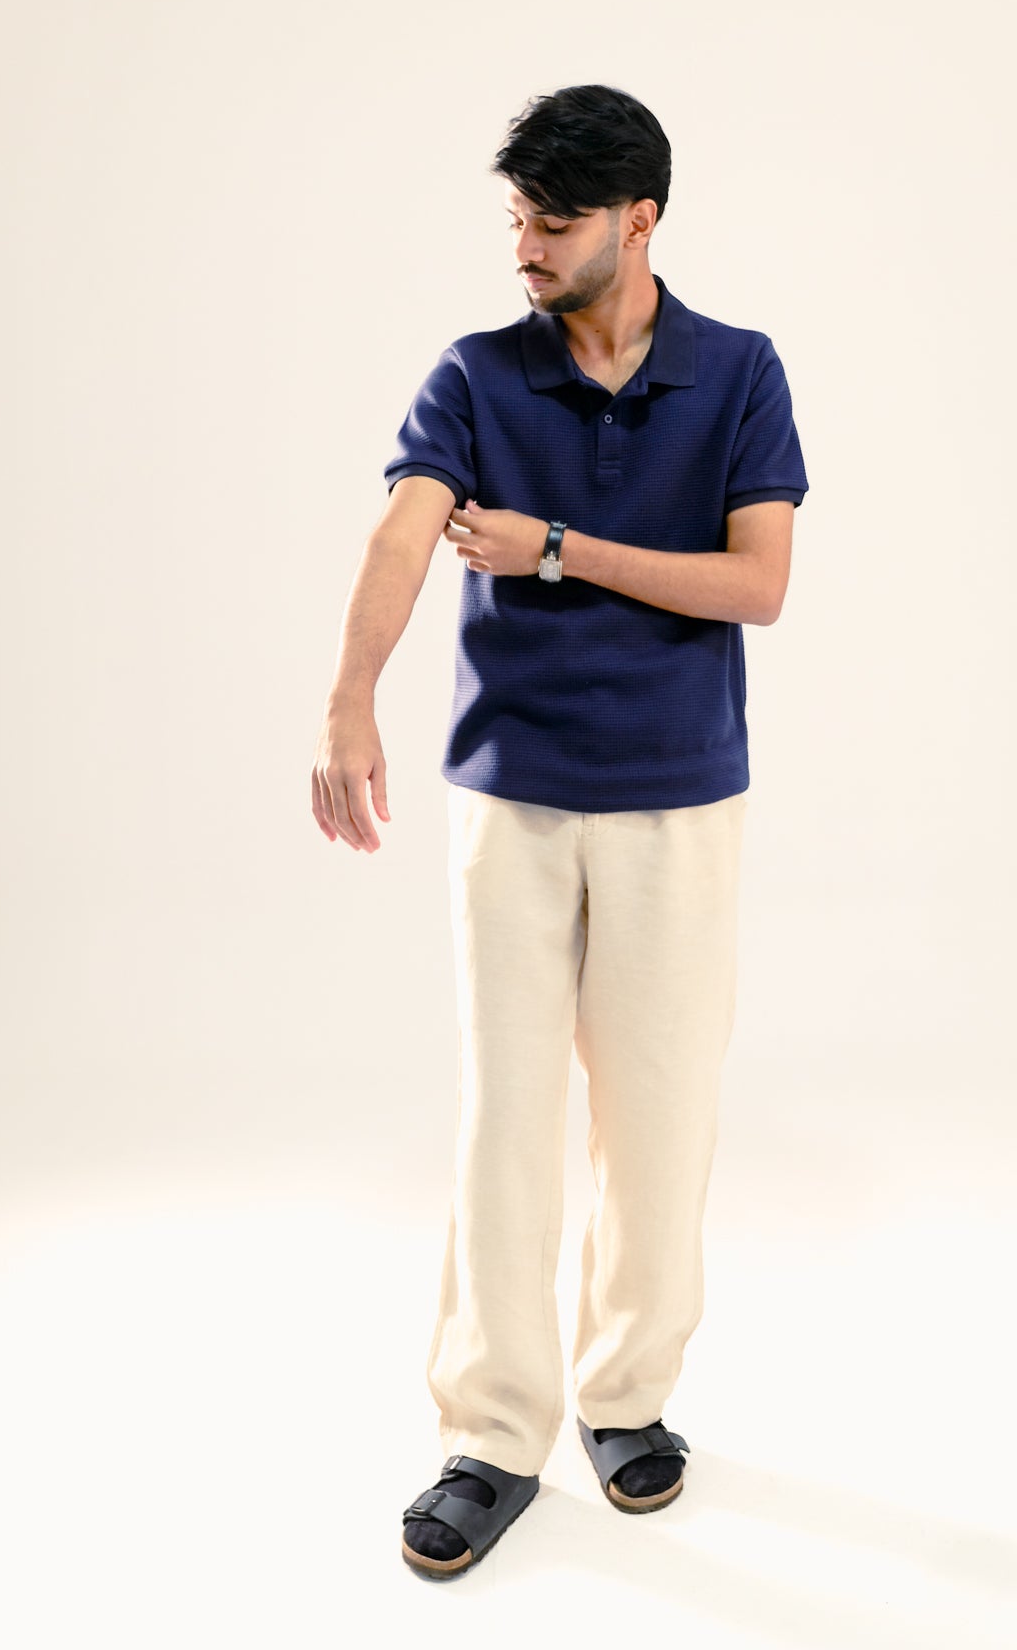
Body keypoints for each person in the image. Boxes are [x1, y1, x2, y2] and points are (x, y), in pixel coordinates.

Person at [311, 83, 809, 1580]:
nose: (525, 247)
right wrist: (349, 697)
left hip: (677, 796)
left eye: (554, 221)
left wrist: (554, 549)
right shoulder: (477, 374)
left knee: (658, 1120)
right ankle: (492, 1431)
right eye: (517, 218)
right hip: (511, 800)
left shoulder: (737, 371)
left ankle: (626, 1397)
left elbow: (757, 585)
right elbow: (406, 526)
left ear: (637, 221)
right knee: (506, 1121)